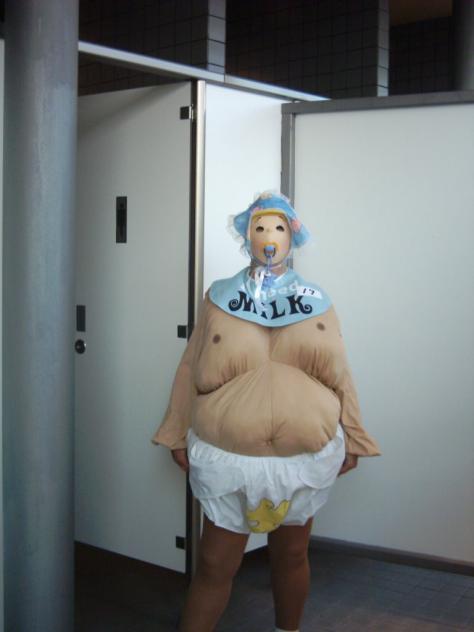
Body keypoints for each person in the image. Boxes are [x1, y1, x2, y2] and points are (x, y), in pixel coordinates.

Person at [151, 191, 381, 632]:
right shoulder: (219, 298)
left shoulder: (317, 300)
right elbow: (190, 365)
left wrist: (355, 434)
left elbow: (340, 372)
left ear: (292, 236)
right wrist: (174, 429)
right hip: (229, 460)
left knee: (292, 554)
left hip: (302, 461)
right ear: (247, 236)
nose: (269, 236)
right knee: (215, 563)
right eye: (260, 227)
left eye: (278, 227)